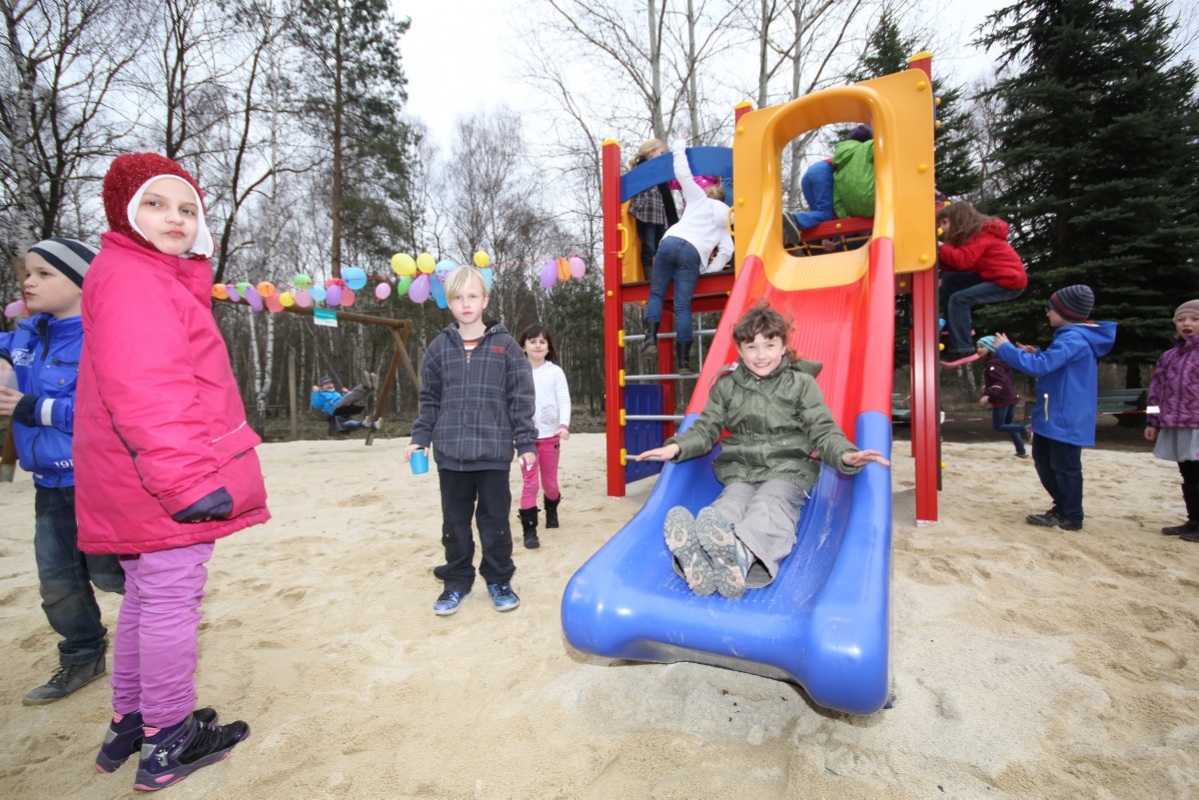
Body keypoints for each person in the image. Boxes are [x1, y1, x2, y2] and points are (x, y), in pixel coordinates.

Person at [75, 153, 267, 788]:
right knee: (170, 601)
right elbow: (148, 386)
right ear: (125, 212)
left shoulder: (135, 274)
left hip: (133, 479)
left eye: (187, 208)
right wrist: (186, 480)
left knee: (145, 597)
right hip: (159, 480)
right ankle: (168, 737)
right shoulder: (136, 279)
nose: (176, 218)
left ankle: (133, 717)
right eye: (155, 204)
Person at [635, 304, 889, 598]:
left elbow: (823, 429)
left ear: (783, 347)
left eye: (769, 345)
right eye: (751, 346)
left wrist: (845, 454)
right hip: (741, 470)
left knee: (770, 505)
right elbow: (706, 429)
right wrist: (676, 446)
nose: (761, 354)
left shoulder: (800, 384)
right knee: (729, 505)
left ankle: (741, 555)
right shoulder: (726, 387)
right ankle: (702, 559)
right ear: (740, 351)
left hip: (788, 469)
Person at [0, 238, 128, 706]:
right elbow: (6, 354)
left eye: (44, 274)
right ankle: (82, 656)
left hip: (98, 480)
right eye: (27, 274)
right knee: (57, 581)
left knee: (110, 574)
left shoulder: (102, 336)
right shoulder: (28, 334)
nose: (29, 282)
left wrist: (35, 407)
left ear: (80, 284)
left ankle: (164, 621)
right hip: (48, 485)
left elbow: (110, 409)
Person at [405, 266, 536, 616]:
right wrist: (420, 438)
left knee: (494, 522)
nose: (466, 303)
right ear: (449, 303)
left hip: (492, 454)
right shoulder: (438, 349)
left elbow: (520, 398)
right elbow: (429, 399)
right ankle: (456, 581)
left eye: (472, 296)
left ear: (485, 300)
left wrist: (525, 444)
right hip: (451, 457)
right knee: (455, 524)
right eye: (458, 297)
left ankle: (498, 579)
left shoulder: (506, 347)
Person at [994, 285, 1116, 532]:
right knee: (1044, 461)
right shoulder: (1070, 338)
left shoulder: (1073, 338)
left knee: (1065, 466)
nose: (1048, 313)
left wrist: (1006, 349)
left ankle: (1071, 515)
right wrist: (1037, 352)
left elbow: (1040, 367)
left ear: (1066, 312)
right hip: (1057, 414)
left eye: (1051, 309)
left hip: (1065, 415)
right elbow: (1054, 364)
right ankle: (1062, 508)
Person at [641, 138, 735, 376]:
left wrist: (679, 147)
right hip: (692, 254)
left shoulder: (698, 199)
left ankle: (650, 338)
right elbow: (726, 250)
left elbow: (682, 174)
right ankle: (683, 362)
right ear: (723, 201)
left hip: (670, 243)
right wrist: (709, 270)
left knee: (657, 293)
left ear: (709, 194)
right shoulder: (726, 222)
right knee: (683, 306)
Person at [937, 201, 1028, 367]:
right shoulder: (971, 236)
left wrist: (941, 247)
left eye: (945, 223)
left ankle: (962, 349)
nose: (942, 229)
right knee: (951, 280)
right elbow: (958, 265)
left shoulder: (980, 234)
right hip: (991, 276)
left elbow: (962, 261)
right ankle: (954, 325)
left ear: (958, 220)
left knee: (959, 299)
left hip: (1008, 281)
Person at [1145, 299, 1199, 540]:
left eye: (1195, 319)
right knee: (1187, 474)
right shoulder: (1169, 356)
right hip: (1176, 423)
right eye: (1181, 319)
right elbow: (1156, 391)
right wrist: (1152, 421)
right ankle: (1193, 520)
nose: (1186, 324)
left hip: (1197, 424)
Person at [516, 324, 572, 549]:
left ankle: (551, 509)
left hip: (551, 436)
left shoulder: (555, 372)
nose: (537, 345)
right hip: (525, 438)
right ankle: (530, 530)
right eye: (532, 341)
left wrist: (564, 425)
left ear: (548, 347)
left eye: (542, 341)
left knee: (549, 483)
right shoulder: (517, 371)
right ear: (523, 346)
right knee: (530, 483)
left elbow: (564, 400)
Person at [783, 124, 873, 250]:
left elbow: (828, 224)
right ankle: (794, 219)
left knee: (820, 217)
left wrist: (827, 240)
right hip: (824, 172)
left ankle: (787, 231)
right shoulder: (858, 156)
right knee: (826, 213)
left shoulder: (844, 153)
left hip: (810, 175)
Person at [626, 138, 678, 277]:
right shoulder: (641, 170)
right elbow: (636, 192)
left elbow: (664, 194)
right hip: (647, 214)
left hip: (659, 214)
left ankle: (663, 275)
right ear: (651, 153)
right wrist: (638, 208)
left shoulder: (658, 171)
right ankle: (649, 277)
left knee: (663, 246)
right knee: (649, 246)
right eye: (661, 152)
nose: (662, 155)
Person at [975, 335, 1030, 459]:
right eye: (977, 347)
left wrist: (988, 394)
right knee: (1010, 424)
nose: (978, 349)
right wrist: (988, 387)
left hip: (1002, 398)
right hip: (1011, 396)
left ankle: (1027, 428)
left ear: (990, 348)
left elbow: (1000, 381)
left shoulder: (993, 363)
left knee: (999, 426)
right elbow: (1003, 379)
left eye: (982, 347)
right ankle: (1021, 451)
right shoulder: (1001, 360)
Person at [310, 372, 377, 434]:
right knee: (351, 395)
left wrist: (345, 393)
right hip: (336, 408)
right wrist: (315, 392)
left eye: (330, 383)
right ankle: (364, 386)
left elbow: (345, 399)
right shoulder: (321, 394)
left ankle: (371, 388)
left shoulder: (336, 393)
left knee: (357, 398)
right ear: (321, 387)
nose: (329, 385)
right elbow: (316, 405)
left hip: (343, 408)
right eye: (326, 384)